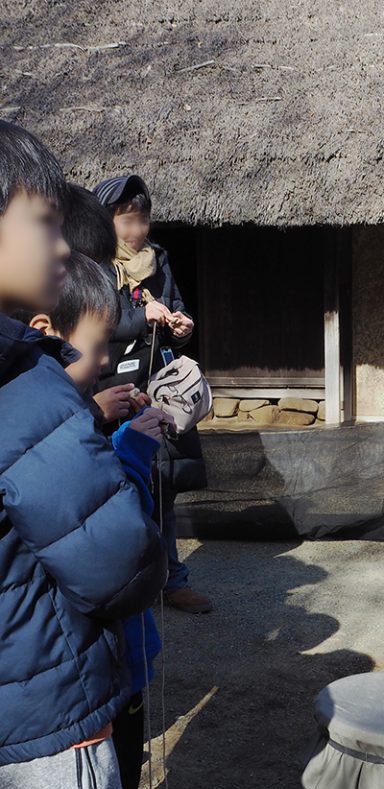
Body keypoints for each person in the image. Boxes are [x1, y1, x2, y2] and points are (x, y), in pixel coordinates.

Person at [0, 120, 166, 789]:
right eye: (43, 222)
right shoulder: (21, 390)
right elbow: (116, 565)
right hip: (39, 731)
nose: (63, 245)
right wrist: (128, 450)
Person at [29, 251, 174, 789]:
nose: (112, 362)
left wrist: (101, 417)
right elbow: (115, 545)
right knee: (97, 788)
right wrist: (133, 452)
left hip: (110, 660)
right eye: (100, 348)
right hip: (90, 666)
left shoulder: (61, 419)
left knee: (122, 772)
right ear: (46, 337)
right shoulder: (44, 437)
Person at [94, 173, 212, 615]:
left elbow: (175, 310)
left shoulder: (157, 260)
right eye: (127, 221)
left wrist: (182, 326)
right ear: (106, 220)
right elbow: (97, 323)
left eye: (142, 220)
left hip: (158, 389)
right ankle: (123, 582)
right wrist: (142, 316)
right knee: (120, 487)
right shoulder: (92, 264)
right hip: (112, 389)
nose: (137, 230)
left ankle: (171, 581)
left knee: (162, 487)